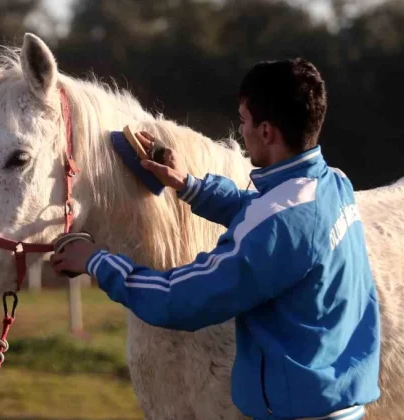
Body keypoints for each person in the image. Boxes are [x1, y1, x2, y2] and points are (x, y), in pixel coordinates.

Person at [50, 58, 381, 420]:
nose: (241, 131)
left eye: (243, 121)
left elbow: (180, 298)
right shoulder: (333, 185)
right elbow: (263, 212)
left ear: (267, 131)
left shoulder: (280, 224)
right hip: (341, 403)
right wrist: (189, 185)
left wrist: (96, 261)